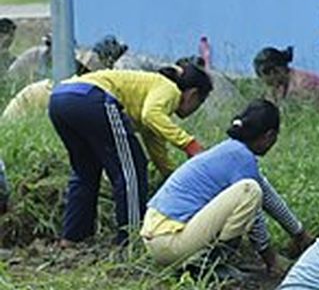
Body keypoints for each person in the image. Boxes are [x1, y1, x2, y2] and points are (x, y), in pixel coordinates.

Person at [141, 100, 313, 274]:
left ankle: (207, 261)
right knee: (250, 191)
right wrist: (271, 259)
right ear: (269, 136)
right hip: (170, 241)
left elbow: (267, 195)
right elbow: (254, 211)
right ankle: (208, 265)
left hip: (157, 237)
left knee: (254, 189)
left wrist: (299, 233)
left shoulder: (231, 152)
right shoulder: (242, 158)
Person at [48, 64, 212, 246]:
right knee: (132, 170)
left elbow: (158, 152)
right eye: (200, 103)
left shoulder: (151, 96)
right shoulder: (169, 88)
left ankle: (73, 237)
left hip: (60, 97)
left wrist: (175, 177)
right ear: (193, 94)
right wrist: (190, 144)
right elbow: (151, 115)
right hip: (92, 98)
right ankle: (132, 239)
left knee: (86, 171)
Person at [253, 46, 319, 105]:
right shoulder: (281, 86)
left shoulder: (304, 84)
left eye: (262, 76)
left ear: (273, 71)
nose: (263, 81)